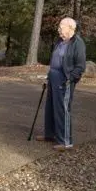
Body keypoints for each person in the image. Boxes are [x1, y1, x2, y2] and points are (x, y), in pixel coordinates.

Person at [36, 17, 86, 151]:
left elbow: (80, 66)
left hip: (65, 79)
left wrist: (70, 79)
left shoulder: (77, 43)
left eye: (61, 26)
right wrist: (48, 76)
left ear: (70, 28)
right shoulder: (59, 41)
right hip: (53, 77)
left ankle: (66, 141)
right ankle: (50, 134)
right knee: (51, 107)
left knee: (62, 109)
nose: (58, 29)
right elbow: (55, 61)